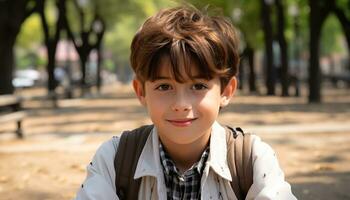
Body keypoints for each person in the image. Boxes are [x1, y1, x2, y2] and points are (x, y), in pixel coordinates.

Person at [75, 6, 296, 200]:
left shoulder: (251, 160)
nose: (181, 104)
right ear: (141, 91)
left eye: (198, 86)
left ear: (226, 91)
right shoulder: (115, 160)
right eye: (164, 86)